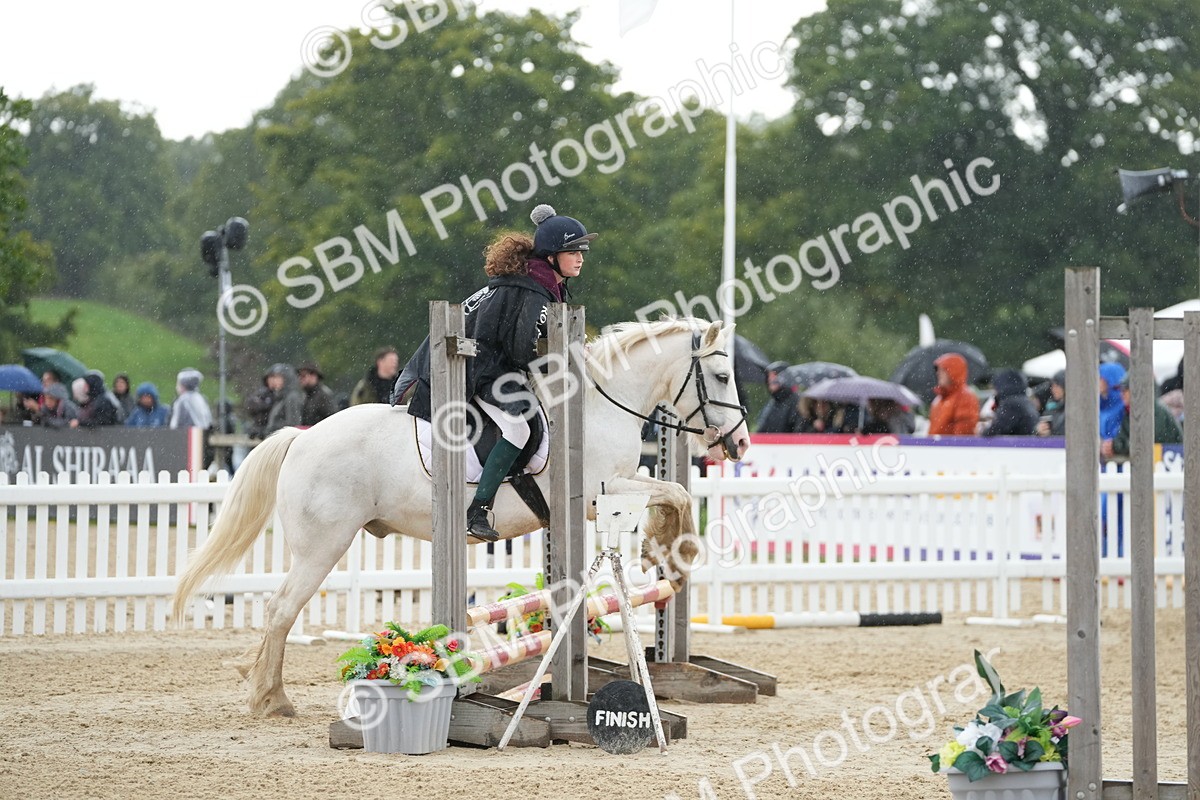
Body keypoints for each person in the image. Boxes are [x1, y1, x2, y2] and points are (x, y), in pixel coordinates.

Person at [396, 203, 597, 542]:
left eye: (582, 252)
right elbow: (520, 351)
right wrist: (563, 361)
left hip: (491, 364)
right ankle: (478, 510)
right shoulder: (531, 291)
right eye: (572, 252)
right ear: (551, 256)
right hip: (479, 369)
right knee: (518, 429)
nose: (580, 258)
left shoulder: (541, 283)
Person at [1105, 373, 1183, 458]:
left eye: (1125, 390)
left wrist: (1117, 446)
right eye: (1121, 390)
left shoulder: (1155, 411)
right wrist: (1111, 446)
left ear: (1137, 390)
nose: (1122, 394)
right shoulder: (1129, 412)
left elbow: (1146, 444)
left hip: (1171, 461)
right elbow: (1123, 438)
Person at [927, 353, 979, 435]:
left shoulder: (965, 397)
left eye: (943, 370)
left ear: (954, 372)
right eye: (938, 370)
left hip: (950, 443)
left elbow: (963, 434)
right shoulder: (940, 398)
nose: (938, 373)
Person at [980, 368, 1038, 436]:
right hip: (1025, 441)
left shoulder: (1010, 404)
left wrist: (983, 431)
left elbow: (997, 429)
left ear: (1001, 386)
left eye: (995, 388)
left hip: (1016, 442)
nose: (994, 392)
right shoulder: (1026, 401)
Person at [755, 361, 805, 433]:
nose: (770, 379)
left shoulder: (798, 402)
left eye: (775, 374)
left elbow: (799, 431)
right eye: (769, 375)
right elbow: (762, 430)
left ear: (787, 377)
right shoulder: (773, 402)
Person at [264, 363, 304, 434]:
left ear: (287, 378)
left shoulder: (292, 397)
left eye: (278, 377)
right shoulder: (280, 397)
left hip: (285, 438)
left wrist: (273, 429)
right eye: (273, 377)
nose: (274, 381)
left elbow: (293, 425)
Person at [1098, 362, 1126, 441]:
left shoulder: (1124, 408)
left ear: (1111, 380)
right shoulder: (1099, 405)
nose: (1097, 381)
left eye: (1100, 378)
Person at [1036, 370, 1066, 436]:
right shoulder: (1051, 406)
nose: (1053, 390)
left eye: (1057, 386)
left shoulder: (1072, 409)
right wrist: (1038, 430)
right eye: (1052, 386)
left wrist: (1051, 434)